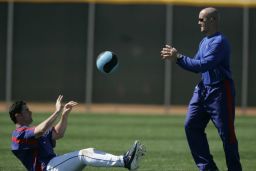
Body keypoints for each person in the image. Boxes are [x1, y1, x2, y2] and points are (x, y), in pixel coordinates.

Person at [160, 7, 242, 171]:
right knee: (191, 126)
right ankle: (208, 168)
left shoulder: (220, 42)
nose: (198, 23)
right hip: (203, 90)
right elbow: (197, 67)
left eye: (201, 19)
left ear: (212, 20)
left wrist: (178, 57)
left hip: (220, 91)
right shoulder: (204, 41)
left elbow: (204, 65)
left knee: (227, 135)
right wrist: (178, 58)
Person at [9, 95, 145, 171]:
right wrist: (56, 111)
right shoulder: (18, 135)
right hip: (48, 168)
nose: (30, 111)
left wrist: (64, 115)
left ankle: (125, 161)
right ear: (18, 116)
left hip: (54, 165)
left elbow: (58, 133)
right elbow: (41, 130)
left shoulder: (31, 131)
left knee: (87, 152)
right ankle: (125, 161)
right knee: (83, 154)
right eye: (26, 110)